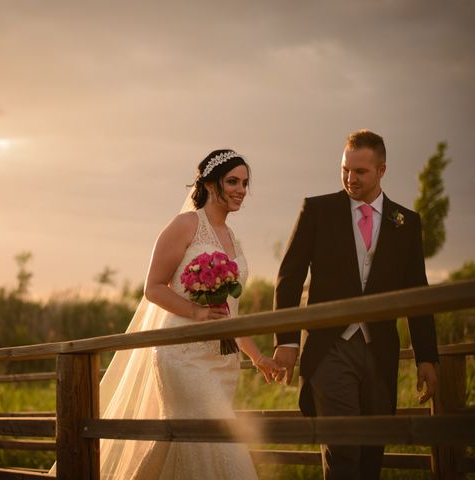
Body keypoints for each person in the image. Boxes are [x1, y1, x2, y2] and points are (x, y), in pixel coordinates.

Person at [50, 149, 278, 479]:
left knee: (189, 445)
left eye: (245, 182)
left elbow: (231, 313)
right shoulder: (186, 224)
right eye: (233, 181)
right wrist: (196, 312)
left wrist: (257, 357)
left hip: (222, 361)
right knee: (220, 443)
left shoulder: (234, 240)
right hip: (182, 357)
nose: (241, 189)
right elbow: (154, 287)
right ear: (211, 183)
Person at [272, 129, 439, 479]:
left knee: (371, 452)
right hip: (329, 347)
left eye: (360, 171)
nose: (351, 178)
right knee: (344, 448)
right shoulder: (317, 210)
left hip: (379, 350)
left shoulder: (406, 223)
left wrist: (426, 356)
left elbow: (417, 291)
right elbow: (289, 277)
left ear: (381, 170)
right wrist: (286, 341)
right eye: (345, 169)